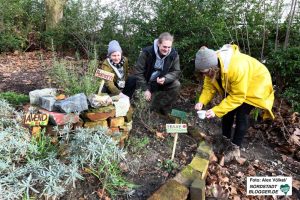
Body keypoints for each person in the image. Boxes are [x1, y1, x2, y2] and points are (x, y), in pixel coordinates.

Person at [194, 44, 274, 161]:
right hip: (237, 87)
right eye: (202, 73)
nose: (204, 75)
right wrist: (202, 101)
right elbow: (209, 88)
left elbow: (238, 96)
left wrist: (216, 110)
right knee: (227, 112)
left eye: (206, 72)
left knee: (242, 114)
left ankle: (234, 148)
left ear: (213, 68)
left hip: (256, 83)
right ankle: (224, 141)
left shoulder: (235, 67)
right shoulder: (209, 65)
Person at [134, 32, 181, 115]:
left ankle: (164, 107)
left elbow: (176, 71)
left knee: (176, 84)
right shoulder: (146, 52)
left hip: (161, 82)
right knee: (143, 110)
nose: (166, 49)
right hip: (146, 82)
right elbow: (138, 72)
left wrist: (166, 78)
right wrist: (145, 89)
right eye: (164, 46)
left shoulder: (174, 55)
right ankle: (150, 103)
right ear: (159, 44)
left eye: (169, 47)